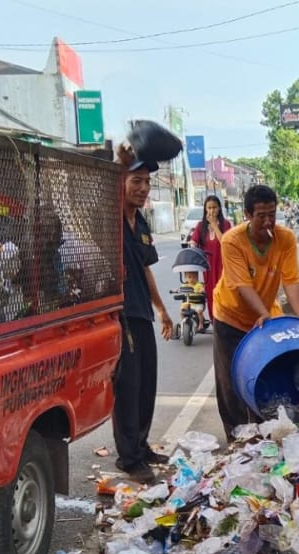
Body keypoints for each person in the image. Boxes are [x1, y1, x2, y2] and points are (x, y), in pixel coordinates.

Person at [211, 184, 299, 442]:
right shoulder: (232, 241)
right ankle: (237, 440)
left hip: (265, 319)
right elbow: (242, 284)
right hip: (230, 317)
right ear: (247, 214)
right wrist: (262, 312)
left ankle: (263, 435)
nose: (267, 221)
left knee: (264, 377)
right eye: (261, 216)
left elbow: (291, 281)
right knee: (230, 381)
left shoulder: (285, 238)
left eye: (272, 214)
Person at [113, 144, 174, 481]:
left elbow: (148, 269)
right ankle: (128, 457)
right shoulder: (113, 217)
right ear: (122, 182)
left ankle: (141, 444)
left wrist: (163, 310)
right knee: (128, 386)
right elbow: (106, 194)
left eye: (147, 182)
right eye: (136, 180)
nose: (143, 188)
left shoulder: (142, 222)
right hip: (120, 314)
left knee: (147, 383)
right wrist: (117, 164)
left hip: (142, 314)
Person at [188, 194, 232, 321]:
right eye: (209, 208)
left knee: (224, 293)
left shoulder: (226, 224)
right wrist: (192, 246)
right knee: (211, 293)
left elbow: (225, 242)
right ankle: (214, 321)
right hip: (208, 267)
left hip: (223, 265)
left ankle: (224, 321)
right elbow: (193, 242)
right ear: (205, 210)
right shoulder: (200, 226)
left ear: (219, 209)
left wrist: (214, 225)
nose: (212, 211)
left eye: (214, 207)